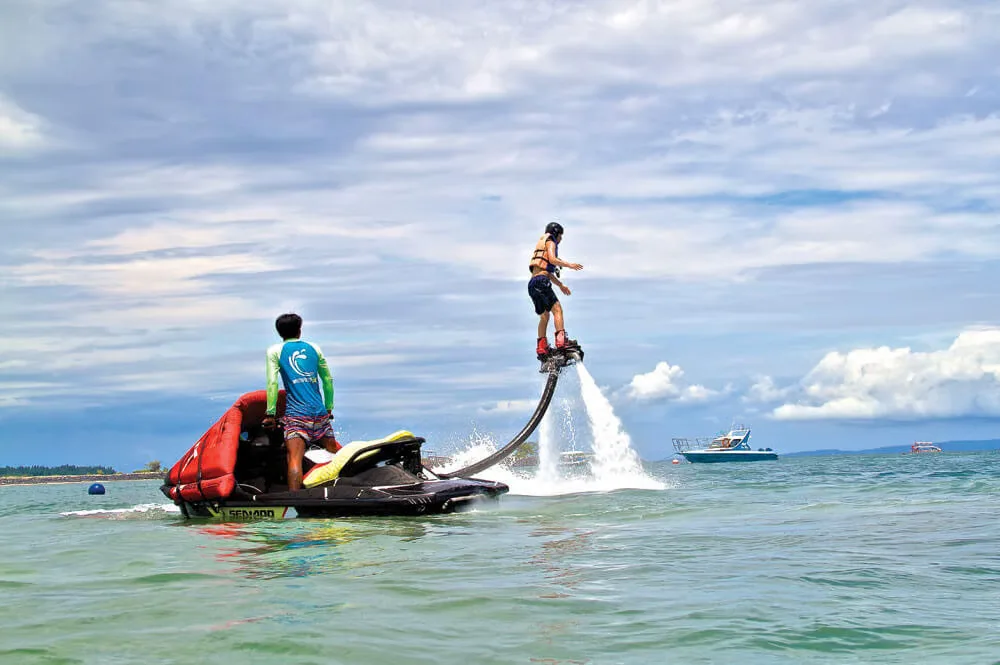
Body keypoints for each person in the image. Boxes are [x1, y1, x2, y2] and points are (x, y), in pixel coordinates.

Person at [262, 313, 340, 491]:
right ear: (299, 330)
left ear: (280, 333)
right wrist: (328, 408)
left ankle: (295, 503)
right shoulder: (314, 348)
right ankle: (341, 492)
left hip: (296, 415)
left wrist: (271, 413)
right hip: (319, 413)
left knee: (294, 459)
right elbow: (328, 380)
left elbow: (272, 383)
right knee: (335, 458)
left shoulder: (275, 351)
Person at [528, 221, 583, 359]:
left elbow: (547, 272)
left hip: (533, 283)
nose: (561, 239)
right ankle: (561, 342)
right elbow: (552, 259)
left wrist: (560, 285)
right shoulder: (550, 241)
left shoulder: (542, 244)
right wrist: (569, 265)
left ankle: (542, 348)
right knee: (557, 310)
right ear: (556, 233)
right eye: (561, 236)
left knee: (544, 316)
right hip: (541, 282)